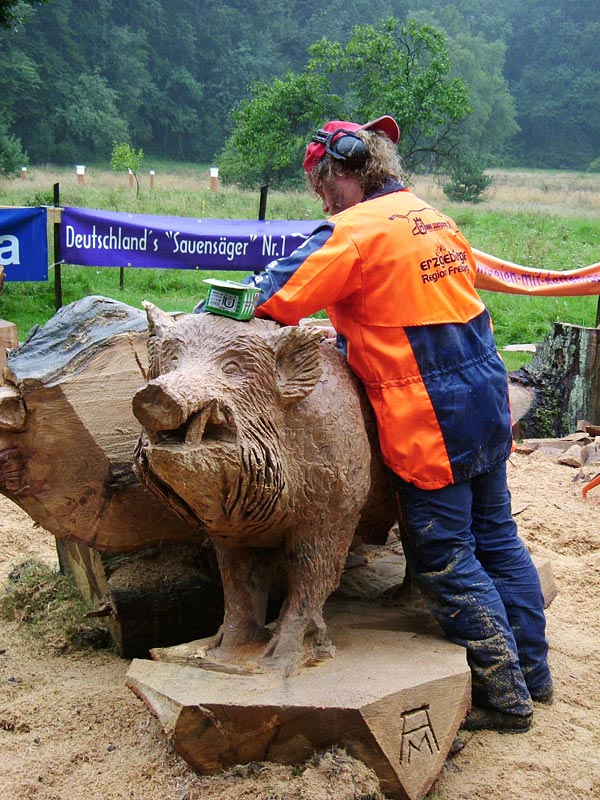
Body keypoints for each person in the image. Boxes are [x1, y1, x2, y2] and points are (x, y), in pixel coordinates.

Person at [239, 115, 553, 732]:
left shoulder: (353, 231)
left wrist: (212, 309)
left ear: (344, 173)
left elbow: (272, 297)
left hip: (430, 410)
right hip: (486, 394)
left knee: (445, 554)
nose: (323, 201)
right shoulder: (431, 216)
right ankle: (534, 676)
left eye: (323, 186)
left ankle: (504, 698)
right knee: (497, 538)